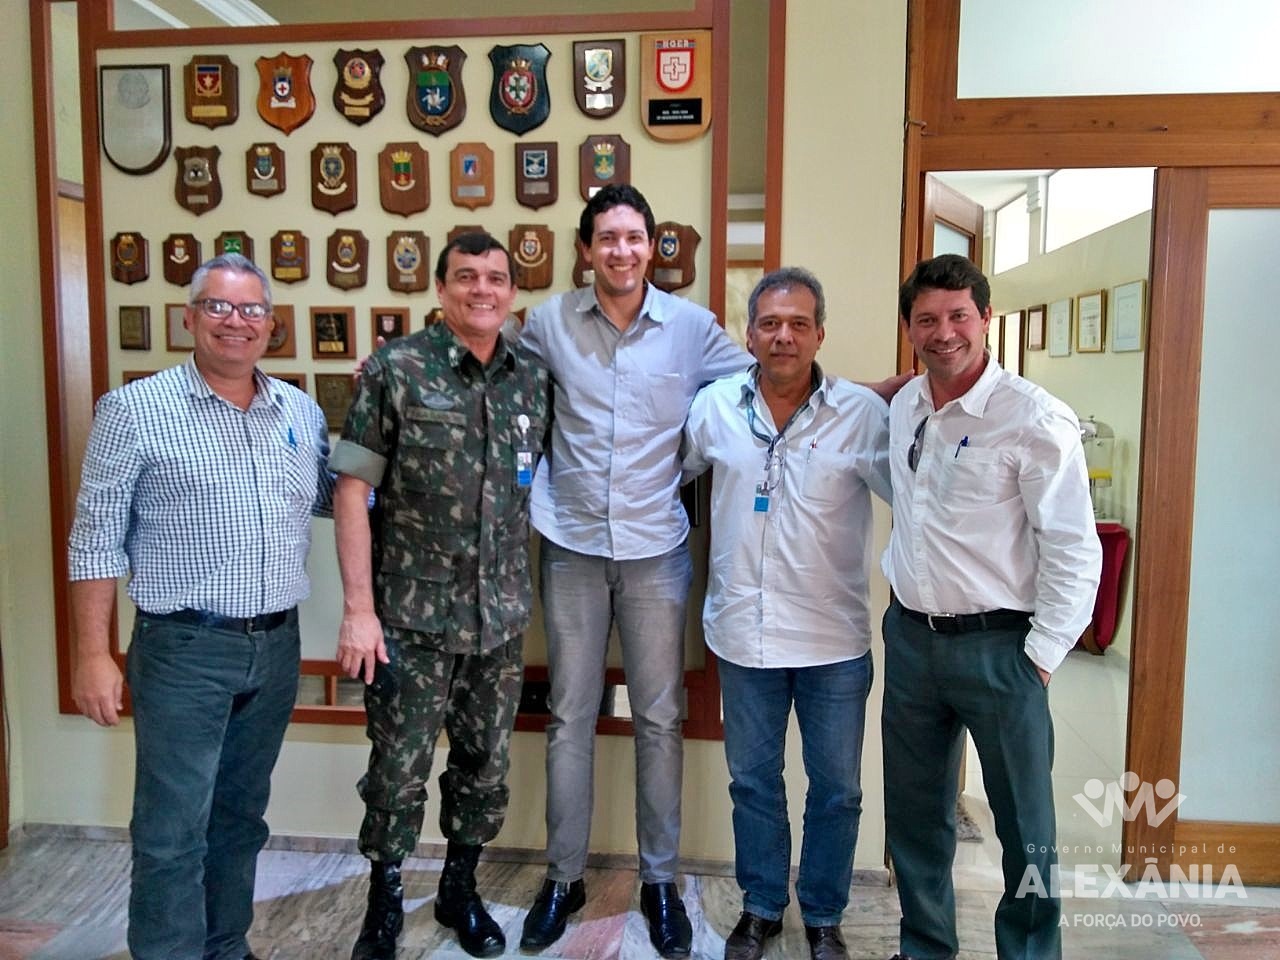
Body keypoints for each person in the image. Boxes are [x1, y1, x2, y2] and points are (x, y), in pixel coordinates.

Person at [66, 253, 334, 960]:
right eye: (218, 307)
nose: (235, 322)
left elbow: (338, 498)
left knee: (240, 819)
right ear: (189, 318)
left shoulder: (299, 414)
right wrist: (93, 655)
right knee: (171, 830)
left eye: (250, 310)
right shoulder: (135, 411)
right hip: (184, 649)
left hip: (275, 647)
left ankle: (225, 946)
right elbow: (94, 539)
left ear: (271, 327)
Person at [517, 183, 750, 958]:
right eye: (607, 238)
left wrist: (871, 398)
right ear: (586, 249)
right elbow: (490, 381)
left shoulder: (692, 330)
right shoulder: (548, 323)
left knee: (659, 718)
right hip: (571, 546)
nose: (621, 250)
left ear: (654, 246)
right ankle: (562, 877)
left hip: (657, 551)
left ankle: (659, 881)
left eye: (635, 237)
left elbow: (768, 383)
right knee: (569, 716)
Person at [331, 233, 549, 960]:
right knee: (397, 771)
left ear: (512, 292)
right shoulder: (396, 370)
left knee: (484, 768)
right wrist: (359, 610)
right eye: (466, 277)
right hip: (411, 620)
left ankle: (460, 888)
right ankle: (385, 902)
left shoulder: (531, 378)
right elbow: (354, 488)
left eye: (495, 278)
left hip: (499, 619)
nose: (481, 289)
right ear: (440, 288)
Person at [881, 254, 1102, 960]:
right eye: (927, 319)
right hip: (912, 643)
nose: (944, 332)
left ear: (985, 319)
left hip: (1000, 650)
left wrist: (1038, 660)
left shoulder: (1033, 418)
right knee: (916, 822)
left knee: (1025, 828)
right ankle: (925, 948)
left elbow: (1073, 547)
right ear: (910, 328)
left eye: (958, 316)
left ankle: (1031, 952)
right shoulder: (906, 405)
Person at [682, 268, 892, 960]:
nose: (784, 336)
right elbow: (667, 477)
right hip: (743, 634)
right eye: (770, 323)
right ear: (750, 334)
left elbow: (920, 497)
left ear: (819, 334)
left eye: (799, 323)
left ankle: (825, 915)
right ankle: (763, 906)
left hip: (833, 640)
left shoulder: (861, 415)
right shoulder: (713, 406)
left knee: (836, 790)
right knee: (753, 783)